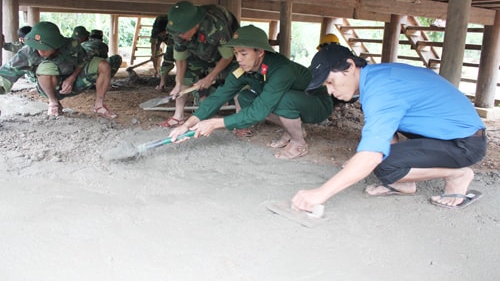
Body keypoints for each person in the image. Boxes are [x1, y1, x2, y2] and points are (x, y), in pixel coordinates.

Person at [291, 44, 487, 211]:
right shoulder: (377, 77)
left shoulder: (381, 91)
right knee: (384, 157)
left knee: (382, 163)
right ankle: (405, 181)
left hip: (465, 143)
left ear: (349, 67)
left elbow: (372, 155)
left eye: (330, 82)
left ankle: (458, 174)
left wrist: (320, 193)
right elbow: (386, 130)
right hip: (447, 133)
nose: (330, 91)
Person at [169, 25, 333, 160]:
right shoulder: (242, 69)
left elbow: (259, 111)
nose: (238, 58)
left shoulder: (281, 70)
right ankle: (293, 129)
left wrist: (216, 123)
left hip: (317, 105)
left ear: (260, 52)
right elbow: (219, 96)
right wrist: (187, 124)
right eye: (235, 53)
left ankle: (299, 143)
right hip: (293, 102)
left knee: (283, 100)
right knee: (245, 97)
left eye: (243, 53)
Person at [0, 21, 117, 119]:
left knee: (103, 64)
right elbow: (6, 74)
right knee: (46, 68)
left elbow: (83, 61)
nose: (40, 52)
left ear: (56, 44)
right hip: (48, 88)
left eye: (45, 48)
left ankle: (99, 106)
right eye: (38, 47)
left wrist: (72, 78)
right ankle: (53, 103)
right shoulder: (29, 51)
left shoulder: (72, 45)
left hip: (74, 83)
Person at [163, 0, 240, 128]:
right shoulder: (179, 32)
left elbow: (228, 56)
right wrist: (178, 83)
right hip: (198, 50)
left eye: (182, 34)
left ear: (195, 25)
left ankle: (240, 121)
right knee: (185, 79)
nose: (179, 37)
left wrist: (210, 77)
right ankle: (178, 117)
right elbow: (181, 59)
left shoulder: (216, 27)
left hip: (223, 50)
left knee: (238, 80)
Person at [150, 15, 175, 90]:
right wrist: (153, 55)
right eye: (162, 34)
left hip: (173, 38)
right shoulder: (156, 30)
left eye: (165, 33)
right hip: (162, 34)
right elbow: (153, 43)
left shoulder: (174, 28)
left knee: (173, 55)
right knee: (156, 54)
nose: (163, 35)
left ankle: (163, 83)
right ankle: (157, 72)